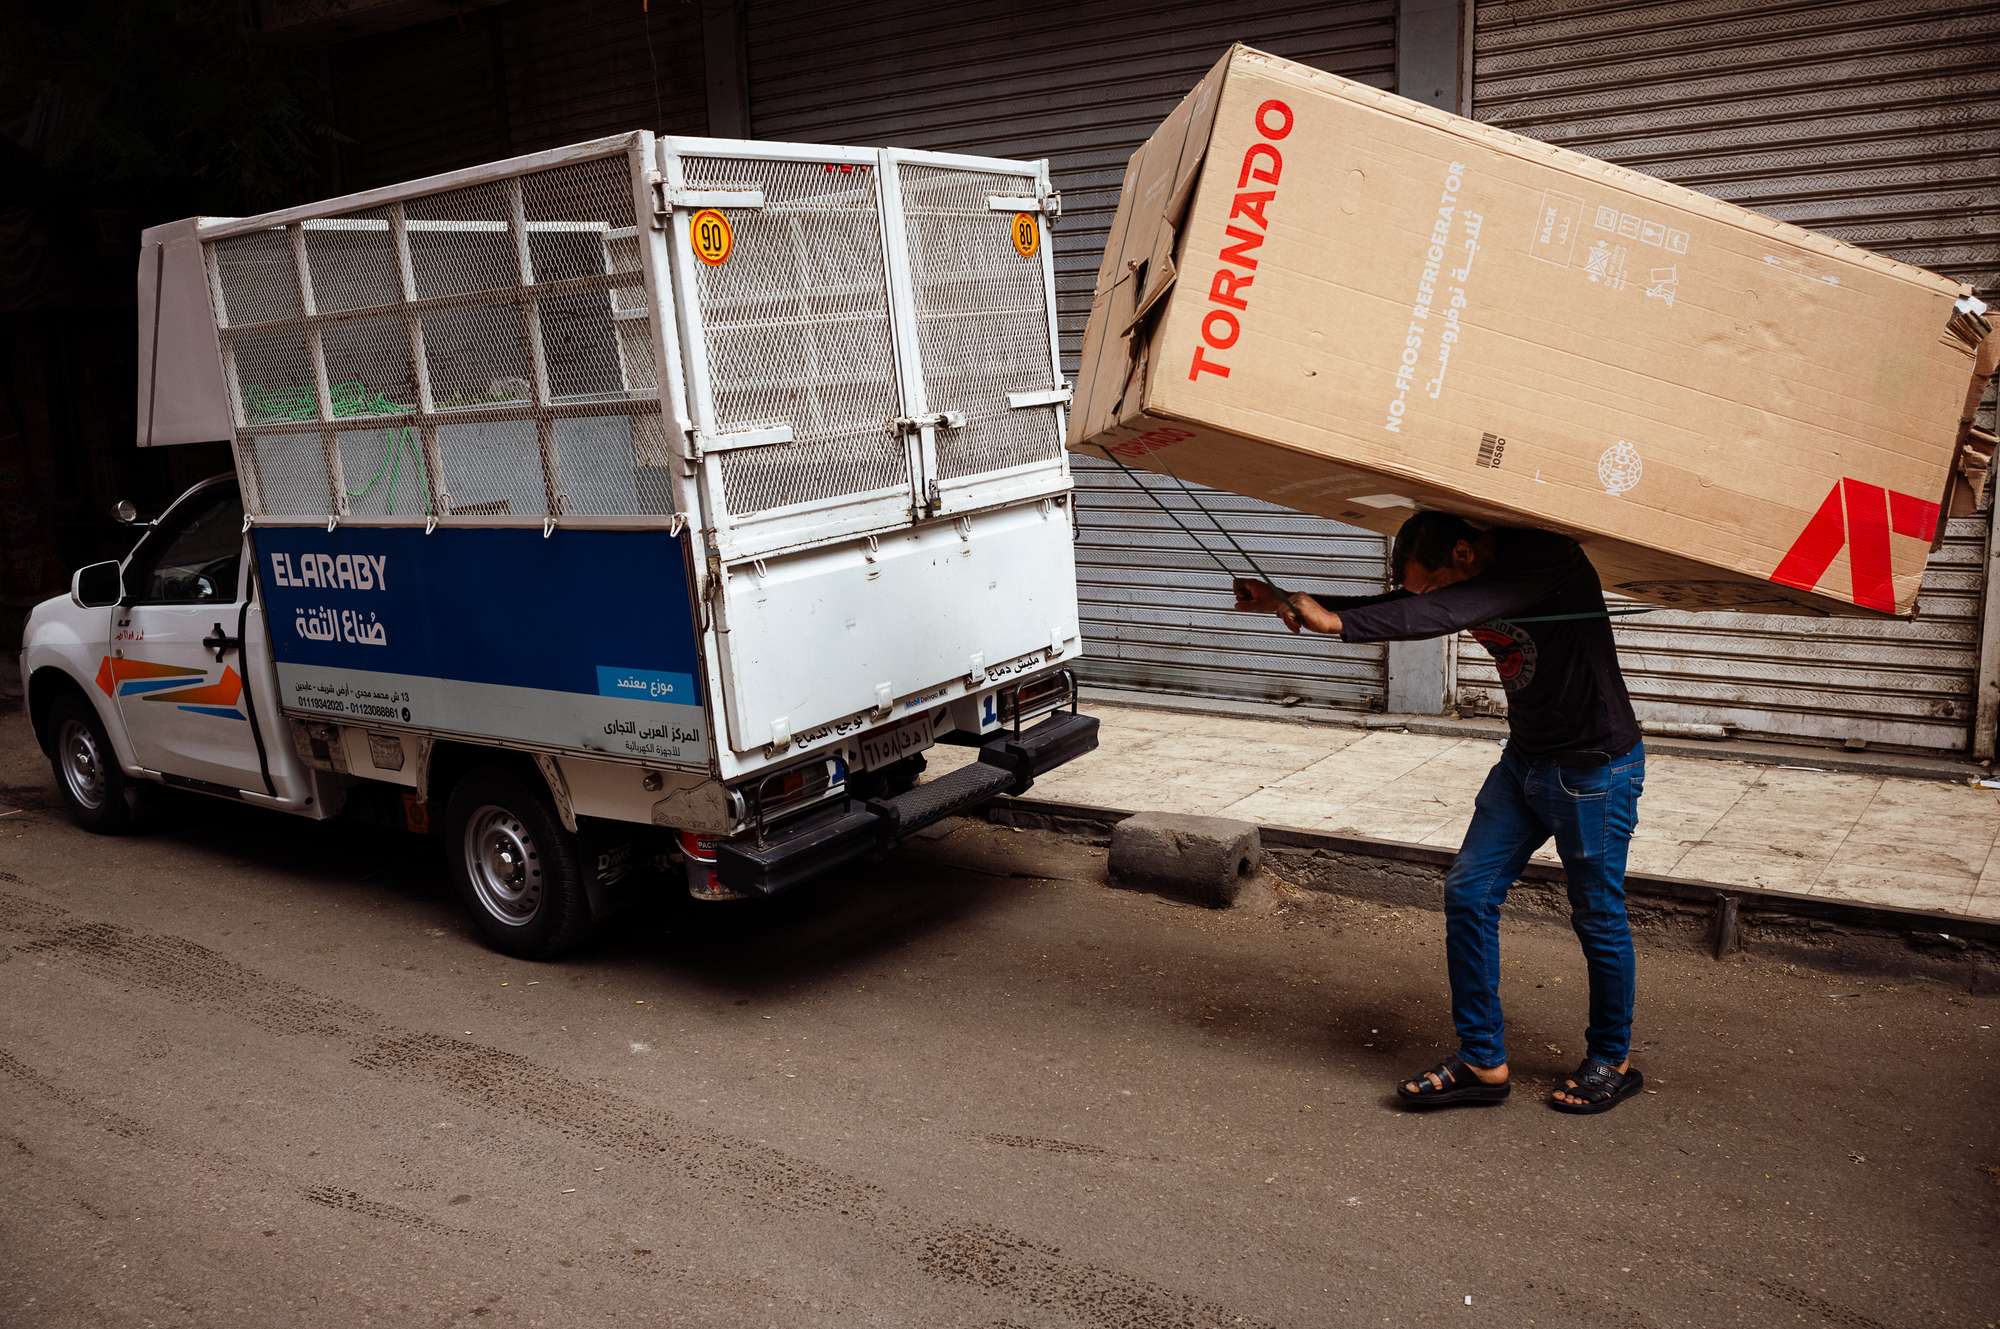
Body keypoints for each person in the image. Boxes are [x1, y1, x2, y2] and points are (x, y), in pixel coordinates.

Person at [1234, 512, 1646, 1115]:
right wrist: (1289, 600)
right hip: (1526, 761)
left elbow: (1438, 612)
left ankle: (1612, 1058)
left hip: (1595, 769)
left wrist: (1341, 621)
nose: (1424, 597)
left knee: (1597, 916)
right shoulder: (1464, 579)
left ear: (1464, 554)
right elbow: (1410, 604)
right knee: (1470, 892)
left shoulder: (1545, 561)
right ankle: (1483, 1060)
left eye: (1431, 582)